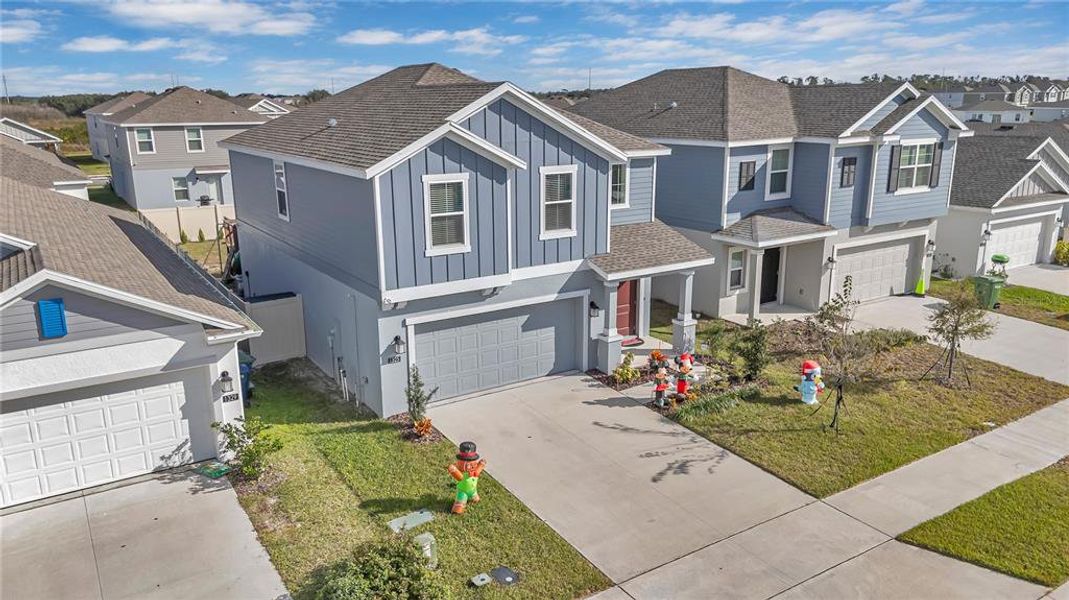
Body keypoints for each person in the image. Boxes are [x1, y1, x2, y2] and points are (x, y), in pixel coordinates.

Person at [447, 441, 486, 514]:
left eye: (473, 462)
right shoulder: (462, 474)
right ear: (460, 462)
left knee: (476, 499)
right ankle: (458, 507)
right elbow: (459, 477)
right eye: (468, 463)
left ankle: (472, 497)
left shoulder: (475, 471)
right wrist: (453, 470)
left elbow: (479, 469)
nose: (471, 465)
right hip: (463, 491)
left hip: (473, 490)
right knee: (459, 506)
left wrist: (481, 464)